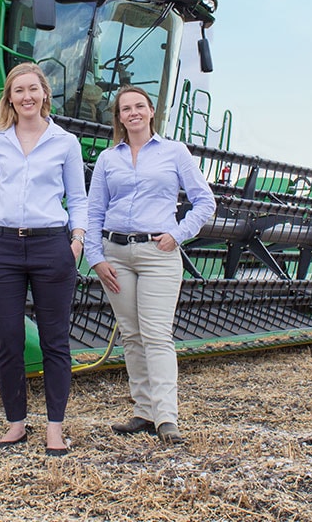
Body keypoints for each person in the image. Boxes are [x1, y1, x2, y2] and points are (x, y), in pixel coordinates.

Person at [84, 85, 216, 444]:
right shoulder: (109, 159)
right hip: (116, 255)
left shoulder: (175, 152)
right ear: (119, 117)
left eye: (139, 106)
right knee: (131, 335)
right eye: (126, 109)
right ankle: (143, 412)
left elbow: (205, 201)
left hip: (158, 254)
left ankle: (166, 417)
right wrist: (95, 258)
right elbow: (94, 211)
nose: (133, 113)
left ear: (151, 111)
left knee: (156, 335)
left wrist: (178, 233)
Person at [0, 62, 87, 457]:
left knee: (55, 341)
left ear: (44, 94)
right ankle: (16, 424)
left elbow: (79, 198)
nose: (26, 97)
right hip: (1, 248)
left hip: (51, 246)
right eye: (18, 90)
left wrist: (77, 241)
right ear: (10, 97)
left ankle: (55, 428)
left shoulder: (66, 142)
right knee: (8, 339)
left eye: (32, 89)